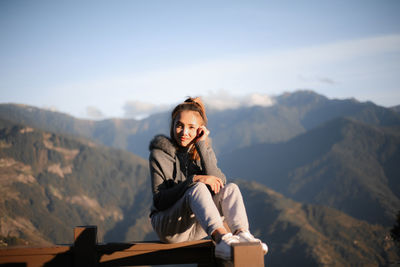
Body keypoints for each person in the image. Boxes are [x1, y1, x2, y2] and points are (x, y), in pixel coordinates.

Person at [148, 97, 268, 260]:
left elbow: (220, 183)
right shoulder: (159, 155)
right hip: (168, 227)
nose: (184, 132)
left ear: (200, 130)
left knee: (231, 189)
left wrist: (202, 146)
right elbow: (160, 201)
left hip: (197, 226)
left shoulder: (202, 151)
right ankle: (222, 241)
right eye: (179, 125)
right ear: (173, 126)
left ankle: (243, 235)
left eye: (191, 127)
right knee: (197, 188)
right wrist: (194, 179)